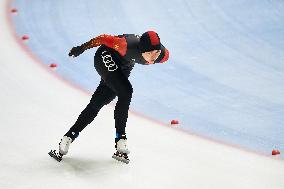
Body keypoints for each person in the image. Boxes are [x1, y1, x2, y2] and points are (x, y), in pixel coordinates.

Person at [49, 31, 169, 163]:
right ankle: (121, 139)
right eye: (150, 53)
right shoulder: (124, 45)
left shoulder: (162, 55)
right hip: (105, 56)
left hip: (124, 66)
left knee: (98, 102)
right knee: (126, 91)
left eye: (156, 52)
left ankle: (68, 137)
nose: (153, 57)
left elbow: (156, 54)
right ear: (141, 50)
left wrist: (155, 54)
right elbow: (102, 39)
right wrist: (81, 48)